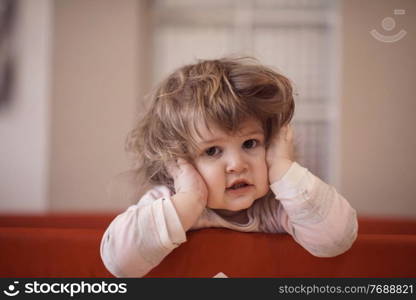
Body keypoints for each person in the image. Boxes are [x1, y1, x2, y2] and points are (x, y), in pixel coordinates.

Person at [100, 57, 358, 277]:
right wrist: (190, 200)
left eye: (250, 143)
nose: (237, 164)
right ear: (176, 164)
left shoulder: (276, 205)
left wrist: (282, 168)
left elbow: (336, 240)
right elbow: (120, 263)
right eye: (212, 151)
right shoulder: (167, 203)